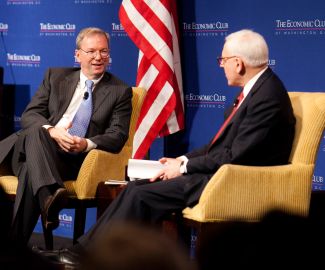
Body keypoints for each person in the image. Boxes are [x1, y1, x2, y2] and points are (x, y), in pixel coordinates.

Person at [41, 29, 296, 267]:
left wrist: (184, 167)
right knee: (136, 187)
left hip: (236, 180)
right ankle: (82, 252)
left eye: (224, 59)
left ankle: (90, 257)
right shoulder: (256, 90)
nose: (222, 65)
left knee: (142, 195)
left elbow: (236, 155)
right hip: (220, 173)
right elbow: (219, 146)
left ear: (238, 63)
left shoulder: (266, 97)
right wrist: (180, 159)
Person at [0, 27, 133, 247]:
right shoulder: (56, 76)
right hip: (27, 149)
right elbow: (30, 114)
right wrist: (52, 131)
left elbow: (117, 135)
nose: (98, 57)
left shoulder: (119, 91)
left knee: (30, 171)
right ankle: (49, 196)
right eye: (91, 51)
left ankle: (14, 246)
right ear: (78, 55)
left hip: (69, 160)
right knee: (38, 131)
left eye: (104, 51)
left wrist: (86, 144)